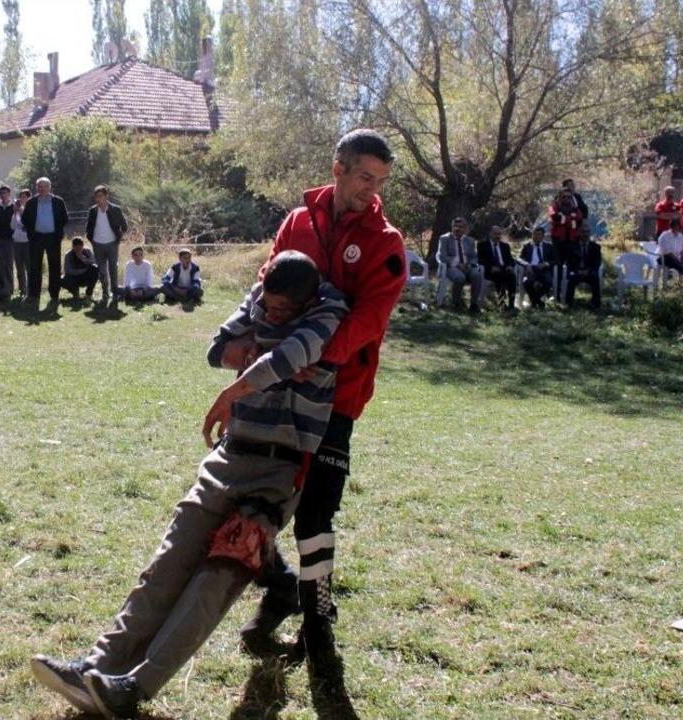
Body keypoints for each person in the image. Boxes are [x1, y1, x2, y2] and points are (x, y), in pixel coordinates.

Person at [31, 251, 349, 718]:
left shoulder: (330, 308)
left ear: (308, 299)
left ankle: (133, 688)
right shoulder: (261, 297)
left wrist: (240, 382)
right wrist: (260, 355)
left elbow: (296, 353)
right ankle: (94, 668)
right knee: (165, 567)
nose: (271, 312)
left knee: (215, 579)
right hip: (229, 454)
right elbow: (218, 347)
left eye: (284, 310)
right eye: (268, 305)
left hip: (279, 469)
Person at [224, 129, 405, 682]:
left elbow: (369, 319)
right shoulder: (297, 222)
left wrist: (319, 357)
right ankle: (280, 587)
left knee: (316, 511)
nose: (372, 192)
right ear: (338, 168)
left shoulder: (386, 242)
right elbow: (268, 284)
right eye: (364, 178)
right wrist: (249, 343)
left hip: (340, 394)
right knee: (249, 496)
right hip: (277, 388)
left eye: (380, 182)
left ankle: (318, 620)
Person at [22, 177, 69, 305]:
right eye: (39, 186)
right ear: (37, 188)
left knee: (54, 267)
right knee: (34, 267)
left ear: (49, 187)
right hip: (36, 238)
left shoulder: (58, 202)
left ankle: (54, 296)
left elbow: (65, 219)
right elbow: (24, 219)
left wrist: (57, 231)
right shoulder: (31, 202)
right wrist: (31, 233)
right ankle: (34, 296)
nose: (41, 189)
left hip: (53, 238)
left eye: (44, 186)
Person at [86, 184, 128, 304]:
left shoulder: (115, 209)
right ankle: (105, 293)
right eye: (96, 197)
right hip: (97, 245)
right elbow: (88, 228)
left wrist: (118, 238)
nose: (98, 199)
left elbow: (124, 226)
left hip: (112, 244)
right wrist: (92, 240)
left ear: (106, 196)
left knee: (113, 268)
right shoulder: (92, 211)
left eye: (100, 196)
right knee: (102, 270)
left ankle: (114, 292)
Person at [436, 216, 483, 313]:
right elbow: (442, 256)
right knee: (460, 278)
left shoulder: (469, 240)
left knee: (477, 275)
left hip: (467, 266)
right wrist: (457, 263)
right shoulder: (444, 238)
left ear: (465, 229)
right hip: (451, 267)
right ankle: (456, 303)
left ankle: (474, 304)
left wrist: (470, 264)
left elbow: (474, 256)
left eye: (461, 227)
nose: (457, 229)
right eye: (455, 226)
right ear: (452, 227)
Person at [477, 225, 516, 310]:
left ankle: (512, 304)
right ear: (490, 234)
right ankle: (502, 303)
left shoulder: (505, 246)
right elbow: (480, 260)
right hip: (490, 271)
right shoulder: (482, 245)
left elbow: (510, 259)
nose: (497, 236)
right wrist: (491, 267)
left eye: (499, 234)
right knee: (499, 276)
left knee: (512, 276)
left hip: (504, 269)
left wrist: (510, 265)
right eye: (495, 234)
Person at [0, 185, 16, 302]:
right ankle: (3, 288)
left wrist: (12, 234)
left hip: (10, 239)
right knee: (0, 264)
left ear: (9, 194)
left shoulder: (14, 206)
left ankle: (11, 289)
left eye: (5, 193)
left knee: (9, 264)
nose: (2, 195)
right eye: (1, 193)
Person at [564, 232, 602, 310]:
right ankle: (568, 304)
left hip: (589, 271)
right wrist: (577, 270)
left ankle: (595, 304)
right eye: (583, 233)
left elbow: (597, 262)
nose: (585, 235)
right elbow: (569, 262)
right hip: (576, 271)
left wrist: (588, 270)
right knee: (571, 279)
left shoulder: (596, 247)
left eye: (587, 233)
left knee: (595, 279)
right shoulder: (573, 246)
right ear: (579, 235)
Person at [518, 227, 554, 308]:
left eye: (539, 234)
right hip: (531, 270)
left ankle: (534, 302)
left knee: (547, 281)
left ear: (543, 236)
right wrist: (526, 264)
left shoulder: (548, 246)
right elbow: (519, 258)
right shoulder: (527, 246)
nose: (536, 237)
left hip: (544, 270)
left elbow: (555, 260)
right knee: (526, 282)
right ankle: (538, 302)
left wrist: (546, 264)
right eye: (534, 234)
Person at [549, 187, 584, 267]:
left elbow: (579, 222)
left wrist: (563, 220)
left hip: (572, 240)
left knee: (573, 263)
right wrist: (571, 221)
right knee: (558, 264)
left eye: (569, 197)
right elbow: (555, 217)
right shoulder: (553, 207)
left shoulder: (575, 209)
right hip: (558, 241)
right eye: (564, 196)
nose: (566, 199)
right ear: (559, 197)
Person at [60, 236, 97, 301]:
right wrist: (82, 271)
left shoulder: (87, 251)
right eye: (76, 248)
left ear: (83, 246)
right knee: (61, 279)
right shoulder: (68, 255)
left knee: (95, 268)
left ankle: (89, 294)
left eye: (80, 248)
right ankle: (75, 293)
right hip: (74, 277)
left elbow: (93, 262)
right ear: (73, 246)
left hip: (85, 277)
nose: (78, 250)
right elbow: (68, 271)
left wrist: (83, 258)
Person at [11, 188, 32, 298]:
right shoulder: (17, 210)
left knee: (29, 267)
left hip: (28, 242)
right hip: (17, 241)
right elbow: (12, 226)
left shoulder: (32, 209)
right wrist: (14, 213)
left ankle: (30, 289)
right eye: (21, 197)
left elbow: (28, 223)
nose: (22, 199)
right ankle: (22, 290)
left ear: (29, 198)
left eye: (24, 197)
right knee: (19, 267)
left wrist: (20, 210)